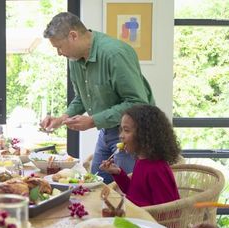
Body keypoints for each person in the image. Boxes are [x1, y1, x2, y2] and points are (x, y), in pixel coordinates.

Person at [41, 12, 155, 184]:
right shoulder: (74, 60)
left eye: (59, 47)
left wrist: (93, 121)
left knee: (128, 194)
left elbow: (137, 104)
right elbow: (82, 97)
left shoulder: (115, 54)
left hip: (133, 133)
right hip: (107, 131)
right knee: (94, 186)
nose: (59, 53)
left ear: (73, 36)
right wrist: (62, 118)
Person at [99, 105, 180, 207]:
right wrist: (118, 173)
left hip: (147, 221)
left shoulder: (157, 169)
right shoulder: (141, 160)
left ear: (143, 134)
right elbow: (134, 192)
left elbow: (167, 210)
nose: (121, 136)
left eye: (127, 130)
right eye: (121, 130)